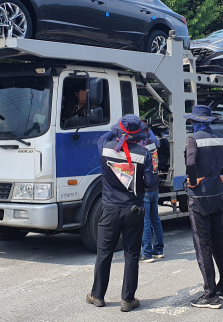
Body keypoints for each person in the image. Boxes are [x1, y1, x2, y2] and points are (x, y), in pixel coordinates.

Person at [87, 115, 157, 312]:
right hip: (134, 210)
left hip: (109, 209)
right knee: (131, 255)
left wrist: (117, 131)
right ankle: (127, 299)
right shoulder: (144, 154)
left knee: (104, 253)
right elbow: (151, 184)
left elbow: (103, 137)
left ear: (119, 131)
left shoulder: (105, 148)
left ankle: (97, 296)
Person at [184, 105, 223, 309]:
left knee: (203, 246)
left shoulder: (193, 139)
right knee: (218, 243)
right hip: (218, 195)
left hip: (200, 198)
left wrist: (192, 181)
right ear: (209, 121)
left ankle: (210, 295)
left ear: (193, 121)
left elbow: (191, 163)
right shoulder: (221, 137)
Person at [139, 125, 164, 263]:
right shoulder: (152, 143)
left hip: (145, 189)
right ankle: (159, 249)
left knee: (145, 221)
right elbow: (152, 135)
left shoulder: (139, 146)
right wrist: (148, 128)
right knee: (155, 220)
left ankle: (146, 253)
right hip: (155, 187)